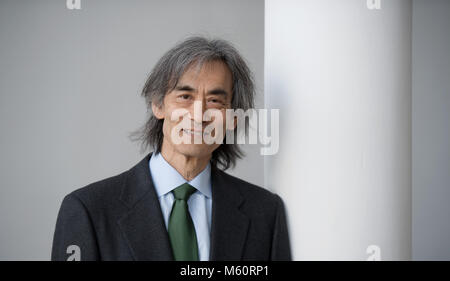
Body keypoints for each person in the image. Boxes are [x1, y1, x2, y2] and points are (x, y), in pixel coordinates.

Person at [51, 36, 291, 261]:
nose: (199, 115)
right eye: (185, 96)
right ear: (158, 105)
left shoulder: (266, 213)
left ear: (233, 118)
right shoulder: (89, 210)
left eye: (215, 101)